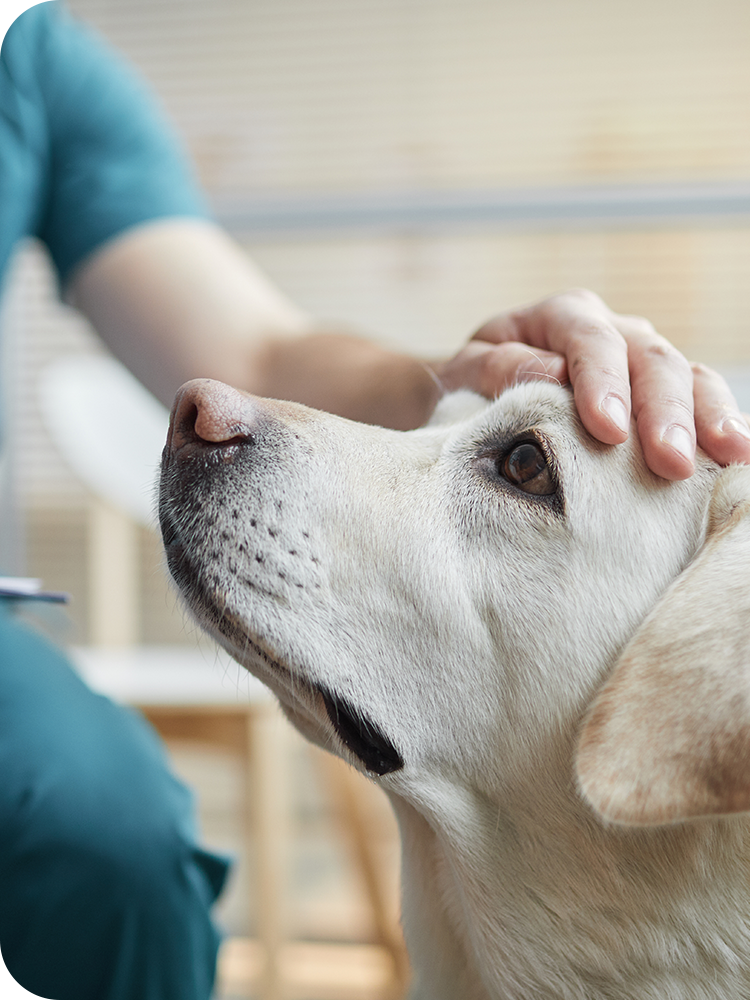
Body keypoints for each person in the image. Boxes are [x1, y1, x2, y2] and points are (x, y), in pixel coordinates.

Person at [1, 1, 749, 999]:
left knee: (107, 837)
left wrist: (472, 369)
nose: (213, 416)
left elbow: (260, 355)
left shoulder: (30, 54)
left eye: (523, 469)